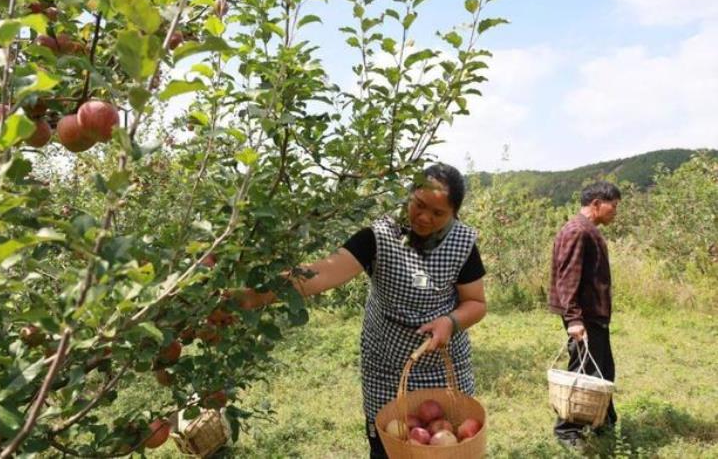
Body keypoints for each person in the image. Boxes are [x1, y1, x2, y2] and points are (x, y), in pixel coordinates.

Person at [238, 163, 487, 458]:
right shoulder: (380, 236)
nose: (423, 217)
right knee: (388, 448)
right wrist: (246, 298)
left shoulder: (462, 243)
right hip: (387, 368)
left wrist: (450, 322)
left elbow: (476, 303)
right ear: (408, 195)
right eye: (419, 205)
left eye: (438, 214)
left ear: (454, 214)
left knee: (449, 449)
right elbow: (321, 274)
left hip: (442, 369)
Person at [548, 180, 621, 447]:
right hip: (584, 315)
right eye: (613, 206)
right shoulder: (578, 230)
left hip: (593, 314)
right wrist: (574, 319)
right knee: (583, 369)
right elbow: (568, 278)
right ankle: (567, 430)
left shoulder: (587, 229)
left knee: (602, 369)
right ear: (596, 204)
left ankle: (604, 421)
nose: (615, 211)